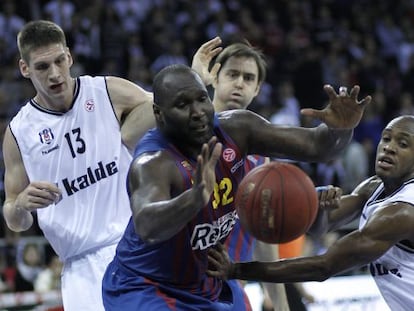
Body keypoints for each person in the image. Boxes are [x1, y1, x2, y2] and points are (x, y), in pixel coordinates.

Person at [101, 63, 370, 310]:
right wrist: (194, 198)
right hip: (146, 285)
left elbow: (317, 145)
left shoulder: (237, 128)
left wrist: (340, 129)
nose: (197, 113)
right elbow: (148, 226)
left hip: (208, 280)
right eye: (183, 105)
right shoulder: (153, 162)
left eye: (201, 99)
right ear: (159, 114)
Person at [2, 20, 154, 311]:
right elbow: (14, 219)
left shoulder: (108, 92)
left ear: (69, 56)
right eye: (43, 67)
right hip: (80, 269)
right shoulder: (18, 133)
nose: (55, 74)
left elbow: (167, 108)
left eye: (59, 61)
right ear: (25, 69)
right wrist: (21, 203)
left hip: (137, 245)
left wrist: (196, 77)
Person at [207, 115, 414, 311]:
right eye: (386, 138)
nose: (389, 147)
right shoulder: (373, 187)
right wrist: (322, 210)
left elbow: (325, 266)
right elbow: (320, 228)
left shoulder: (401, 212)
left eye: (403, 144)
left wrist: (237, 270)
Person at [192, 38, 289, 311]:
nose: (239, 83)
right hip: (181, 284)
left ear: (257, 89)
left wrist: (281, 305)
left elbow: (262, 238)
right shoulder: (187, 134)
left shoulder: (260, 157)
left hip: (230, 290)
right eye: (232, 74)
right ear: (214, 77)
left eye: (248, 78)